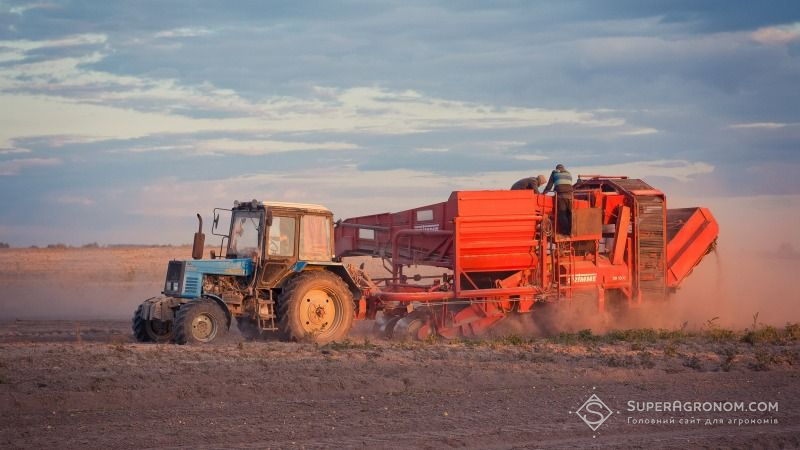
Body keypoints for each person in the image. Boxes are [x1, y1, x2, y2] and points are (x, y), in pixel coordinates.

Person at [543, 164, 573, 235]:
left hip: (561, 195)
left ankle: (565, 232)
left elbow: (549, 185)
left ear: (557, 168)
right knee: (570, 213)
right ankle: (572, 231)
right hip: (570, 196)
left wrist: (544, 193)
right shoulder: (568, 173)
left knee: (562, 214)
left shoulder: (555, 173)